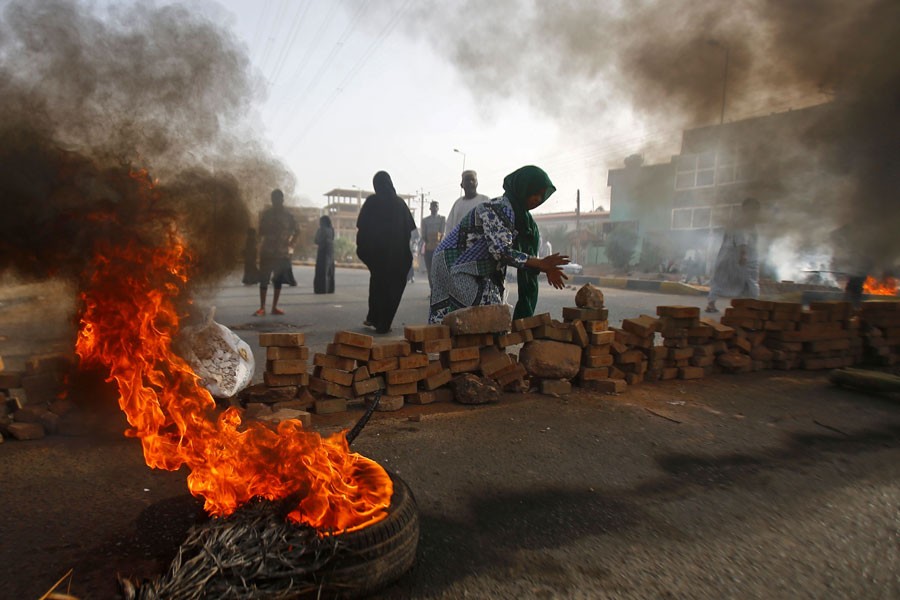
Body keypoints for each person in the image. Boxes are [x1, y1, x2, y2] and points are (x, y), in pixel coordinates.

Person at [429, 165, 570, 323]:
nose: (538, 199)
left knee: (492, 317)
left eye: (542, 196)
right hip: (453, 263)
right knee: (478, 319)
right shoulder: (499, 209)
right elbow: (501, 251)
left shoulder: (525, 222)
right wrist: (539, 263)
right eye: (535, 193)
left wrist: (540, 266)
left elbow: (516, 255)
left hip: (478, 269)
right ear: (523, 188)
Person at [356, 171, 417, 334]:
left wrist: (367, 251)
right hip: (398, 258)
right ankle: (384, 322)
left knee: (378, 285)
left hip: (377, 257)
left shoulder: (371, 202)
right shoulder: (400, 204)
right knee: (393, 289)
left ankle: (375, 317)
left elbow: (361, 228)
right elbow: (410, 231)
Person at [706, 197, 761, 313]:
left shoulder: (746, 223)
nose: (756, 212)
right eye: (754, 209)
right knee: (741, 280)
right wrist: (743, 254)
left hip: (736, 256)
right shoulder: (741, 222)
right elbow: (741, 240)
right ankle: (752, 305)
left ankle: (746, 305)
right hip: (737, 256)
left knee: (737, 281)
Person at [255, 188, 298, 316]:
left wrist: (291, 242)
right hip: (267, 251)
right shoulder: (267, 215)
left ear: (282, 200)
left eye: (278, 199)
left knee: (278, 280)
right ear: (272, 200)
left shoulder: (288, 216)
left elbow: (297, 230)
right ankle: (262, 307)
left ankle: (274, 307)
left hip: (281, 253)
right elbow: (261, 231)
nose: (276, 202)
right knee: (264, 279)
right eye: (274, 199)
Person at [444, 170, 491, 235]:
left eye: (473, 180)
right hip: (460, 242)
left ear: (477, 183)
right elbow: (449, 227)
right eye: (467, 180)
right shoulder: (458, 203)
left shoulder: (484, 200)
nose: (470, 182)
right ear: (461, 185)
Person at [419, 200, 446, 286]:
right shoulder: (425, 220)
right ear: (430, 208)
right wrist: (429, 242)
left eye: (436, 206)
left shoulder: (442, 219)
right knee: (430, 271)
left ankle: (438, 290)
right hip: (429, 249)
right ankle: (432, 290)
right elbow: (423, 234)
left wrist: (438, 242)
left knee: (438, 270)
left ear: (438, 208)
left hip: (438, 248)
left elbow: (442, 232)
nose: (434, 208)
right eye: (433, 206)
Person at [314, 215, 335, 294]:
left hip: (322, 250)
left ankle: (321, 289)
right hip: (330, 250)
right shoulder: (332, 229)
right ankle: (329, 288)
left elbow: (316, 240)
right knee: (329, 269)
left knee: (321, 270)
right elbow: (333, 238)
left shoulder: (321, 230)